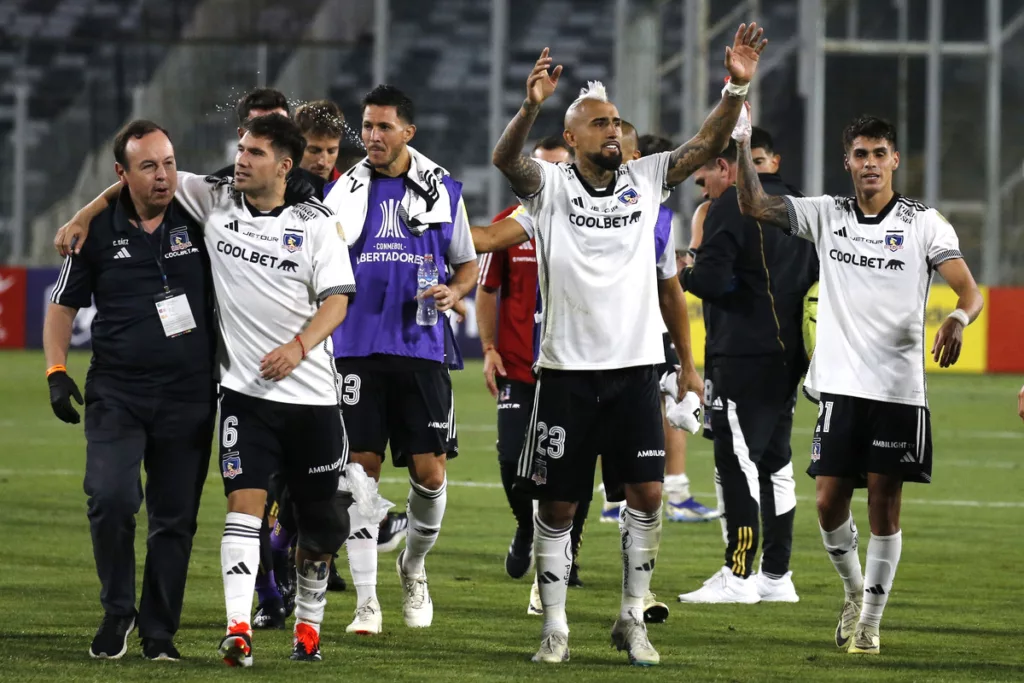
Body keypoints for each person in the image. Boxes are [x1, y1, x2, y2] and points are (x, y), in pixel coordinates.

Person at [490, 24, 766, 666]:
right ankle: (555, 626)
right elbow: (508, 162)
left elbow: (708, 141)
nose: (613, 129)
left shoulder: (647, 179)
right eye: (598, 122)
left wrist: (737, 84)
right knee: (557, 503)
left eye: (616, 120)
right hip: (564, 376)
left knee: (645, 495)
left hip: (635, 374)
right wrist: (530, 104)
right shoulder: (550, 187)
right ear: (571, 138)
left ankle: (629, 618)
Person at [59, 115, 358, 665]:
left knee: (322, 524)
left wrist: (298, 346)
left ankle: (309, 621)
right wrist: (85, 213)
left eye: (255, 153)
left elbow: (338, 299)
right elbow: (137, 174)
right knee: (242, 510)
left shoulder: (317, 223)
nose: (239, 159)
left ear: (285, 167)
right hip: (244, 394)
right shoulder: (214, 197)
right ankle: (238, 629)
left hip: (312, 397)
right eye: (240, 148)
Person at [734, 113, 983, 654]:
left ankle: (870, 622)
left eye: (879, 154)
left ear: (894, 159)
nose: (869, 164)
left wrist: (958, 320)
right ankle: (853, 593)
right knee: (827, 504)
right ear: (847, 162)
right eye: (860, 155)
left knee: (883, 509)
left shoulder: (924, 223)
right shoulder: (828, 214)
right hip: (840, 387)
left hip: (897, 390)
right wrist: (741, 139)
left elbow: (969, 290)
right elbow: (753, 204)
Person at [44, 120, 215, 662]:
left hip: (189, 395)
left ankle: (159, 632)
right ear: (121, 174)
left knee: (175, 519)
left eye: (168, 163)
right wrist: (55, 370)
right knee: (110, 497)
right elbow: (62, 305)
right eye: (148, 166)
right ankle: (118, 611)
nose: (163, 176)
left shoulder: (202, 215)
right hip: (117, 391)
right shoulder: (93, 233)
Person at [322, 84, 478, 636]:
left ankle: (413, 568)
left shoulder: (443, 189)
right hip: (357, 348)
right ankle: (367, 602)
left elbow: (466, 265)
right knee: (360, 475)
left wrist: (456, 293)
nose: (371, 136)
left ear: (407, 132)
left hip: (421, 347)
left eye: (384, 127)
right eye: (366, 126)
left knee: (428, 473)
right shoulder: (343, 190)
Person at [676, 121, 818, 605]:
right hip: (788, 358)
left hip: (741, 354)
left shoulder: (730, 206)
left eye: (704, 178)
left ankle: (738, 575)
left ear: (724, 165)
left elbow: (711, 282)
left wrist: (687, 269)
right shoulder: (802, 206)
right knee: (776, 463)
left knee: (735, 461)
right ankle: (777, 576)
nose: (704, 188)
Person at [476, 136, 593, 595]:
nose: (541, 180)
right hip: (519, 366)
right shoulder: (508, 225)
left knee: (574, 466)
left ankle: (567, 553)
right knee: (510, 459)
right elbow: (488, 290)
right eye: (535, 169)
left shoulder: (586, 222)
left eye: (554, 170)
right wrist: (488, 347)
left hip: (571, 367)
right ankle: (527, 525)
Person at [596, 130, 719, 525]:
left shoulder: (649, 212)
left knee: (661, 402)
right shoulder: (644, 212)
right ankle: (658, 492)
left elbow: (666, 283)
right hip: (630, 331)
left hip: (636, 329)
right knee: (669, 404)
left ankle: (625, 495)